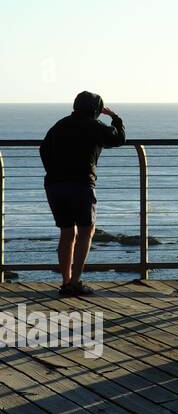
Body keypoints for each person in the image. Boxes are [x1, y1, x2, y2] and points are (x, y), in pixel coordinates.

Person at [39, 92, 126, 296]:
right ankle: (75, 282)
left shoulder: (60, 125)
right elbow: (118, 138)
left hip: (55, 184)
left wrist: (53, 170)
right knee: (86, 231)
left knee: (66, 233)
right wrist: (115, 117)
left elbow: (43, 149)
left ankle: (65, 281)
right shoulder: (94, 126)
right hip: (81, 184)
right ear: (96, 110)